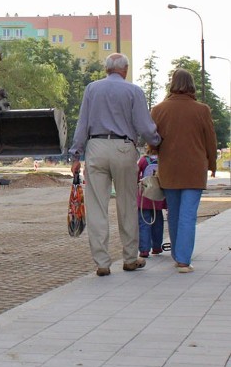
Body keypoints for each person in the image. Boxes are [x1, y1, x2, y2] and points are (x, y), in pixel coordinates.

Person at [69, 53, 162, 276]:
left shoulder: (91, 89)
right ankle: (130, 258)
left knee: (97, 207)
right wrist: (156, 142)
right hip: (123, 147)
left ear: (106, 69)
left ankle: (102, 263)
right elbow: (144, 125)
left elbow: (83, 123)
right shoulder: (134, 91)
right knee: (127, 205)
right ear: (125, 70)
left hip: (96, 147)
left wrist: (75, 154)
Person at [150, 68, 218, 273]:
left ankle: (177, 254)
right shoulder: (202, 110)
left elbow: (153, 141)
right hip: (194, 170)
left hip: (169, 169)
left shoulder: (159, 109)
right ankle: (183, 260)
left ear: (172, 83)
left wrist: (154, 150)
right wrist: (212, 165)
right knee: (188, 215)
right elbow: (210, 141)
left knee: (174, 213)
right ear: (192, 85)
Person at [137, 153, 166, 258]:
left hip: (144, 196)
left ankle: (144, 249)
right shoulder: (163, 158)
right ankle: (157, 247)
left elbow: (136, 174)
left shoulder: (143, 160)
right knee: (158, 222)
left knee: (143, 223)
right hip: (158, 196)